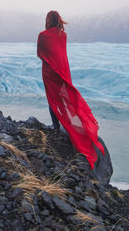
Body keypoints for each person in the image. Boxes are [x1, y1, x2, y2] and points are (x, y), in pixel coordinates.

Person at [37, 10, 105, 169]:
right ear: (59, 20)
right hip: (63, 71)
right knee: (65, 98)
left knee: (52, 98)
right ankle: (73, 125)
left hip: (49, 71)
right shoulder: (63, 35)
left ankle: (57, 127)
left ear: (48, 20)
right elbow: (61, 53)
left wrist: (49, 60)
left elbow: (40, 53)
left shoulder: (42, 35)